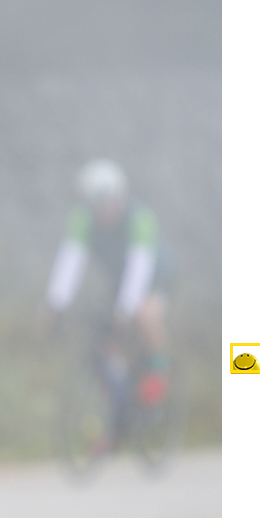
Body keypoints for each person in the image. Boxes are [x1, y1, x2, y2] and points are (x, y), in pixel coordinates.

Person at [44, 159, 170, 403]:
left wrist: (125, 311)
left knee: (145, 315)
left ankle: (158, 373)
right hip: (119, 279)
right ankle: (117, 399)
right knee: (106, 339)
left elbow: (139, 269)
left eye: (108, 204)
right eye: (96, 206)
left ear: (120, 198)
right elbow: (70, 263)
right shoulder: (83, 220)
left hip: (157, 275)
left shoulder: (139, 218)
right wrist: (56, 304)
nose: (103, 213)